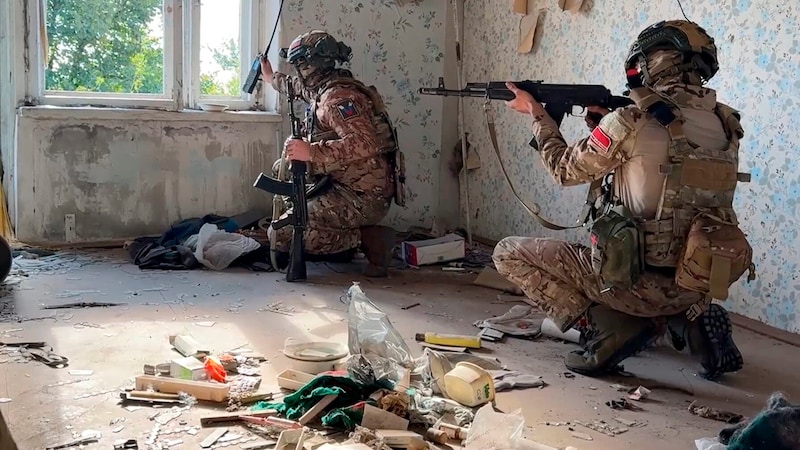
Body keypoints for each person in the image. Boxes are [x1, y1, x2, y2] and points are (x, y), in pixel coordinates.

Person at [493, 20, 753, 380]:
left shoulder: (632, 119)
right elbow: (665, 181)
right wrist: (601, 128)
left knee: (506, 252)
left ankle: (608, 325)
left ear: (652, 63)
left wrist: (537, 115)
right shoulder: (727, 124)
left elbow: (563, 170)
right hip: (697, 283)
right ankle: (689, 322)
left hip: (634, 284)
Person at [259, 30, 405, 277]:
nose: (298, 72)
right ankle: (322, 222)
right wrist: (271, 77)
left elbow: (365, 142)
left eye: (300, 65)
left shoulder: (338, 99)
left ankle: (368, 239)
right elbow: (297, 87)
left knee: (280, 235)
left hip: (362, 196)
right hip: (340, 182)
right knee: (281, 169)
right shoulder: (323, 90)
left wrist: (311, 152)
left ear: (311, 65)